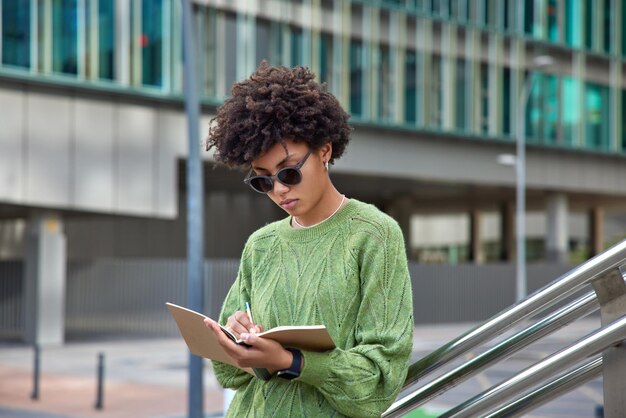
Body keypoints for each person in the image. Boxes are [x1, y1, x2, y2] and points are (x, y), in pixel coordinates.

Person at [204, 62, 413, 417]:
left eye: (288, 172)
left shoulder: (374, 234)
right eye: (263, 180)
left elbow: (380, 382)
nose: (279, 189)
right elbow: (228, 374)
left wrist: (292, 361)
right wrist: (237, 338)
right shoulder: (261, 244)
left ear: (324, 151)